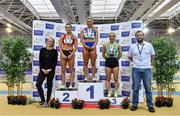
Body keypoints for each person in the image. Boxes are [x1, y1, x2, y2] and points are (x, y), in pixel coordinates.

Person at [128, 30, 155, 112]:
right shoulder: (132, 46)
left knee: (148, 88)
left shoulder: (149, 45)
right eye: (137, 35)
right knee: (135, 88)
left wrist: (148, 63)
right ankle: (135, 105)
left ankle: (150, 105)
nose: (139, 36)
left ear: (143, 36)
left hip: (147, 69)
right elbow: (129, 56)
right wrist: (136, 62)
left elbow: (153, 55)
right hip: (136, 69)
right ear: (135, 37)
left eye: (140, 35)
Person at [36, 37, 58, 107]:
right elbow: (40, 60)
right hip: (42, 70)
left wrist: (50, 69)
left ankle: (47, 101)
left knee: (49, 86)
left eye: (51, 41)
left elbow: (55, 62)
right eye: (49, 41)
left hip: (50, 71)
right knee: (38, 84)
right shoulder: (42, 50)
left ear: (53, 43)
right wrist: (42, 69)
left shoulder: (55, 51)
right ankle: (43, 100)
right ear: (46, 42)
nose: (50, 42)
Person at [102, 32, 122, 97]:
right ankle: (109, 92)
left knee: (116, 78)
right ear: (109, 37)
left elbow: (120, 54)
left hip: (115, 62)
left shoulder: (118, 45)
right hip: (108, 61)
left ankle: (116, 92)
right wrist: (107, 59)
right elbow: (103, 54)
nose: (111, 37)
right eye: (110, 36)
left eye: (113, 36)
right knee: (108, 78)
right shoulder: (105, 45)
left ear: (115, 37)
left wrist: (116, 59)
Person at [59, 23, 78, 89]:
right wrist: (62, 54)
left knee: (71, 70)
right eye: (67, 27)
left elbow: (75, 47)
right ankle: (63, 84)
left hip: (70, 52)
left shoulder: (74, 36)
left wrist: (71, 54)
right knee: (63, 70)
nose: (68, 28)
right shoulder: (62, 36)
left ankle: (70, 85)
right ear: (65, 28)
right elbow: (59, 46)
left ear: (71, 28)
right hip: (63, 52)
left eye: (69, 27)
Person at [80, 16, 98, 81]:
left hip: (93, 46)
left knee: (93, 62)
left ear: (93, 22)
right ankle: (86, 77)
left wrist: (94, 46)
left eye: (90, 21)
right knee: (85, 62)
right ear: (86, 22)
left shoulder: (95, 30)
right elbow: (81, 39)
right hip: (85, 46)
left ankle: (93, 77)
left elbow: (96, 39)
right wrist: (85, 46)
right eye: (88, 21)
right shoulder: (83, 30)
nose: (89, 22)